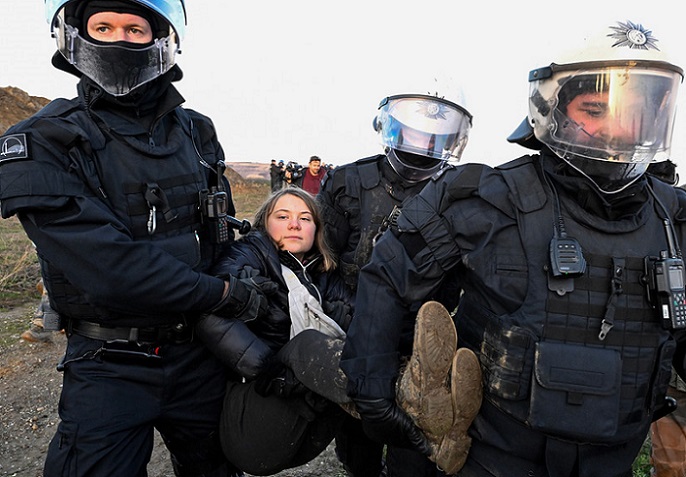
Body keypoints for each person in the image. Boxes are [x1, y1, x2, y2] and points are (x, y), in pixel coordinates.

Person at [340, 19, 686, 476]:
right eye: (596, 108)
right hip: (490, 457)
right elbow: (388, 275)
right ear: (553, 110)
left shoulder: (674, 219)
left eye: (636, 109)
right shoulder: (486, 196)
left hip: (612, 460)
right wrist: (374, 389)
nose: (618, 127)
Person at [0, 1, 269, 476]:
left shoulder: (197, 131)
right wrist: (225, 293)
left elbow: (224, 229)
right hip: (108, 362)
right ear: (75, 36)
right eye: (103, 27)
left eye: (134, 28)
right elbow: (108, 266)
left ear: (161, 38)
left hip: (200, 352)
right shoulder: (44, 139)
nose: (119, 40)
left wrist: (244, 271)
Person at [318, 79, 475, 477]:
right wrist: (352, 316)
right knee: (359, 442)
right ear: (392, 126)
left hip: (424, 339)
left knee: (413, 448)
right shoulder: (348, 182)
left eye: (436, 134)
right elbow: (322, 261)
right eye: (416, 130)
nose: (424, 142)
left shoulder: (456, 193)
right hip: (356, 328)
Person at [195, 187, 355, 475]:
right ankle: (394, 393)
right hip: (254, 425)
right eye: (283, 216)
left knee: (353, 341)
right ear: (264, 223)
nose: (295, 224)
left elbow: (358, 320)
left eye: (305, 218)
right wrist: (270, 368)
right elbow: (208, 314)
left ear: (316, 230)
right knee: (309, 342)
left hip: (309, 425)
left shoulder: (327, 276)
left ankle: (424, 411)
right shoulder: (248, 256)